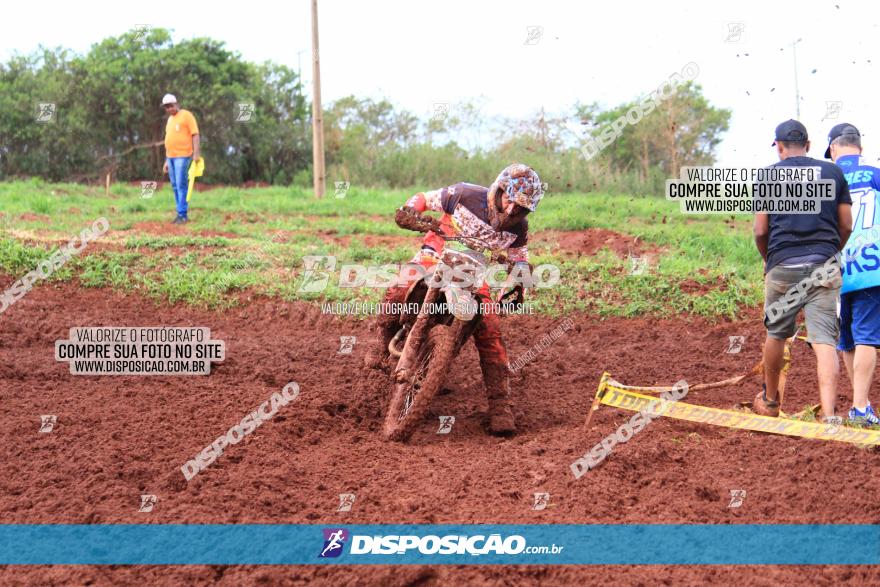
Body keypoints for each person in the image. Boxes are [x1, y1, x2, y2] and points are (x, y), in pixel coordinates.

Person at [366, 163, 544, 435]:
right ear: (498, 189)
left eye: (520, 207)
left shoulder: (519, 228)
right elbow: (424, 198)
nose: (511, 210)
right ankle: (382, 339)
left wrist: (520, 281)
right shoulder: (463, 194)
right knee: (401, 285)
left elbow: (520, 259)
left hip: (473, 272)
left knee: (490, 329)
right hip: (435, 255)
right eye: (509, 200)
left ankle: (500, 404)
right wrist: (410, 210)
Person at [752, 120, 852, 422]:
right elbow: (846, 224)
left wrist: (769, 260)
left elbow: (760, 230)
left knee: (776, 333)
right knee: (824, 339)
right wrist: (833, 250)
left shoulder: (767, 175)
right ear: (808, 145)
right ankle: (829, 413)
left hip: (782, 264)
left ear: (779, 147)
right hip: (823, 265)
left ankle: (770, 400)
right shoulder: (833, 172)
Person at [826, 123, 880, 424]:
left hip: (837, 268)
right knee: (866, 338)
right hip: (872, 266)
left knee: (846, 338)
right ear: (860, 146)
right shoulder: (874, 173)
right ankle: (861, 407)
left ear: (833, 149)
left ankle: (861, 404)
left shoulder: (827, 177)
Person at [161, 93, 200, 225]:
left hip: (183, 156)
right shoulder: (170, 120)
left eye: (170, 106)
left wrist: (196, 154)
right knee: (174, 185)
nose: (169, 109)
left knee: (181, 183)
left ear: (176, 104)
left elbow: (195, 134)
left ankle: (182, 214)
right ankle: (180, 213)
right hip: (170, 157)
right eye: (166, 107)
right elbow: (169, 139)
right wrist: (166, 160)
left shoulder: (186, 115)